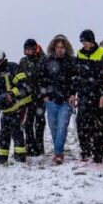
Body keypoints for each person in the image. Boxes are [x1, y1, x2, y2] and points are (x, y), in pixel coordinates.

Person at [0, 48, 33, 164]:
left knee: (16, 131)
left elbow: (23, 85)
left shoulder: (13, 68)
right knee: (4, 134)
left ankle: (20, 157)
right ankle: (2, 158)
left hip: (19, 106)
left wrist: (12, 93)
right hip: (6, 108)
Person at [74, 30, 103, 164]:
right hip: (84, 94)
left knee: (99, 126)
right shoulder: (80, 54)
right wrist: (74, 93)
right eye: (82, 42)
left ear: (91, 41)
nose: (83, 44)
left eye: (85, 41)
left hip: (98, 95)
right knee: (81, 123)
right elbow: (77, 75)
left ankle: (98, 154)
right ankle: (85, 150)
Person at [37, 35, 78, 164]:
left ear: (66, 48)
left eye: (62, 47)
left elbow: (75, 79)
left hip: (66, 101)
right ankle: (58, 149)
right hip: (51, 101)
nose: (60, 50)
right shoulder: (47, 61)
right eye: (58, 47)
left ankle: (58, 153)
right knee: (53, 128)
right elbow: (41, 78)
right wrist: (44, 95)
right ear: (54, 48)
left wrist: (72, 93)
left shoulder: (71, 62)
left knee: (62, 128)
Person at [18, 39, 47, 157]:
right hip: (27, 98)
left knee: (40, 122)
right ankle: (30, 147)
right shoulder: (23, 61)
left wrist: (45, 93)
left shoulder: (43, 60)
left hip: (40, 96)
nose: (29, 52)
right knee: (28, 123)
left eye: (31, 49)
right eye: (27, 50)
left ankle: (40, 147)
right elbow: (20, 78)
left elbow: (46, 77)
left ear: (35, 49)